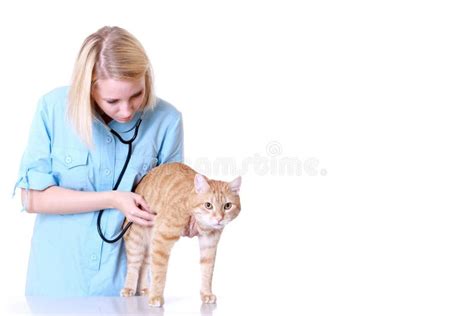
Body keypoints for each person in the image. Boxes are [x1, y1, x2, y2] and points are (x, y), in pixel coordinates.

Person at [12, 26, 184, 296]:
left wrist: (193, 217)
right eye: (112, 100)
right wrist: (113, 199)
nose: (126, 111)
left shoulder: (167, 120)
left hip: (127, 289)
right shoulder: (53, 109)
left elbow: (170, 204)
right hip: (57, 284)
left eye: (136, 95)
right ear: (88, 87)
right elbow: (31, 199)